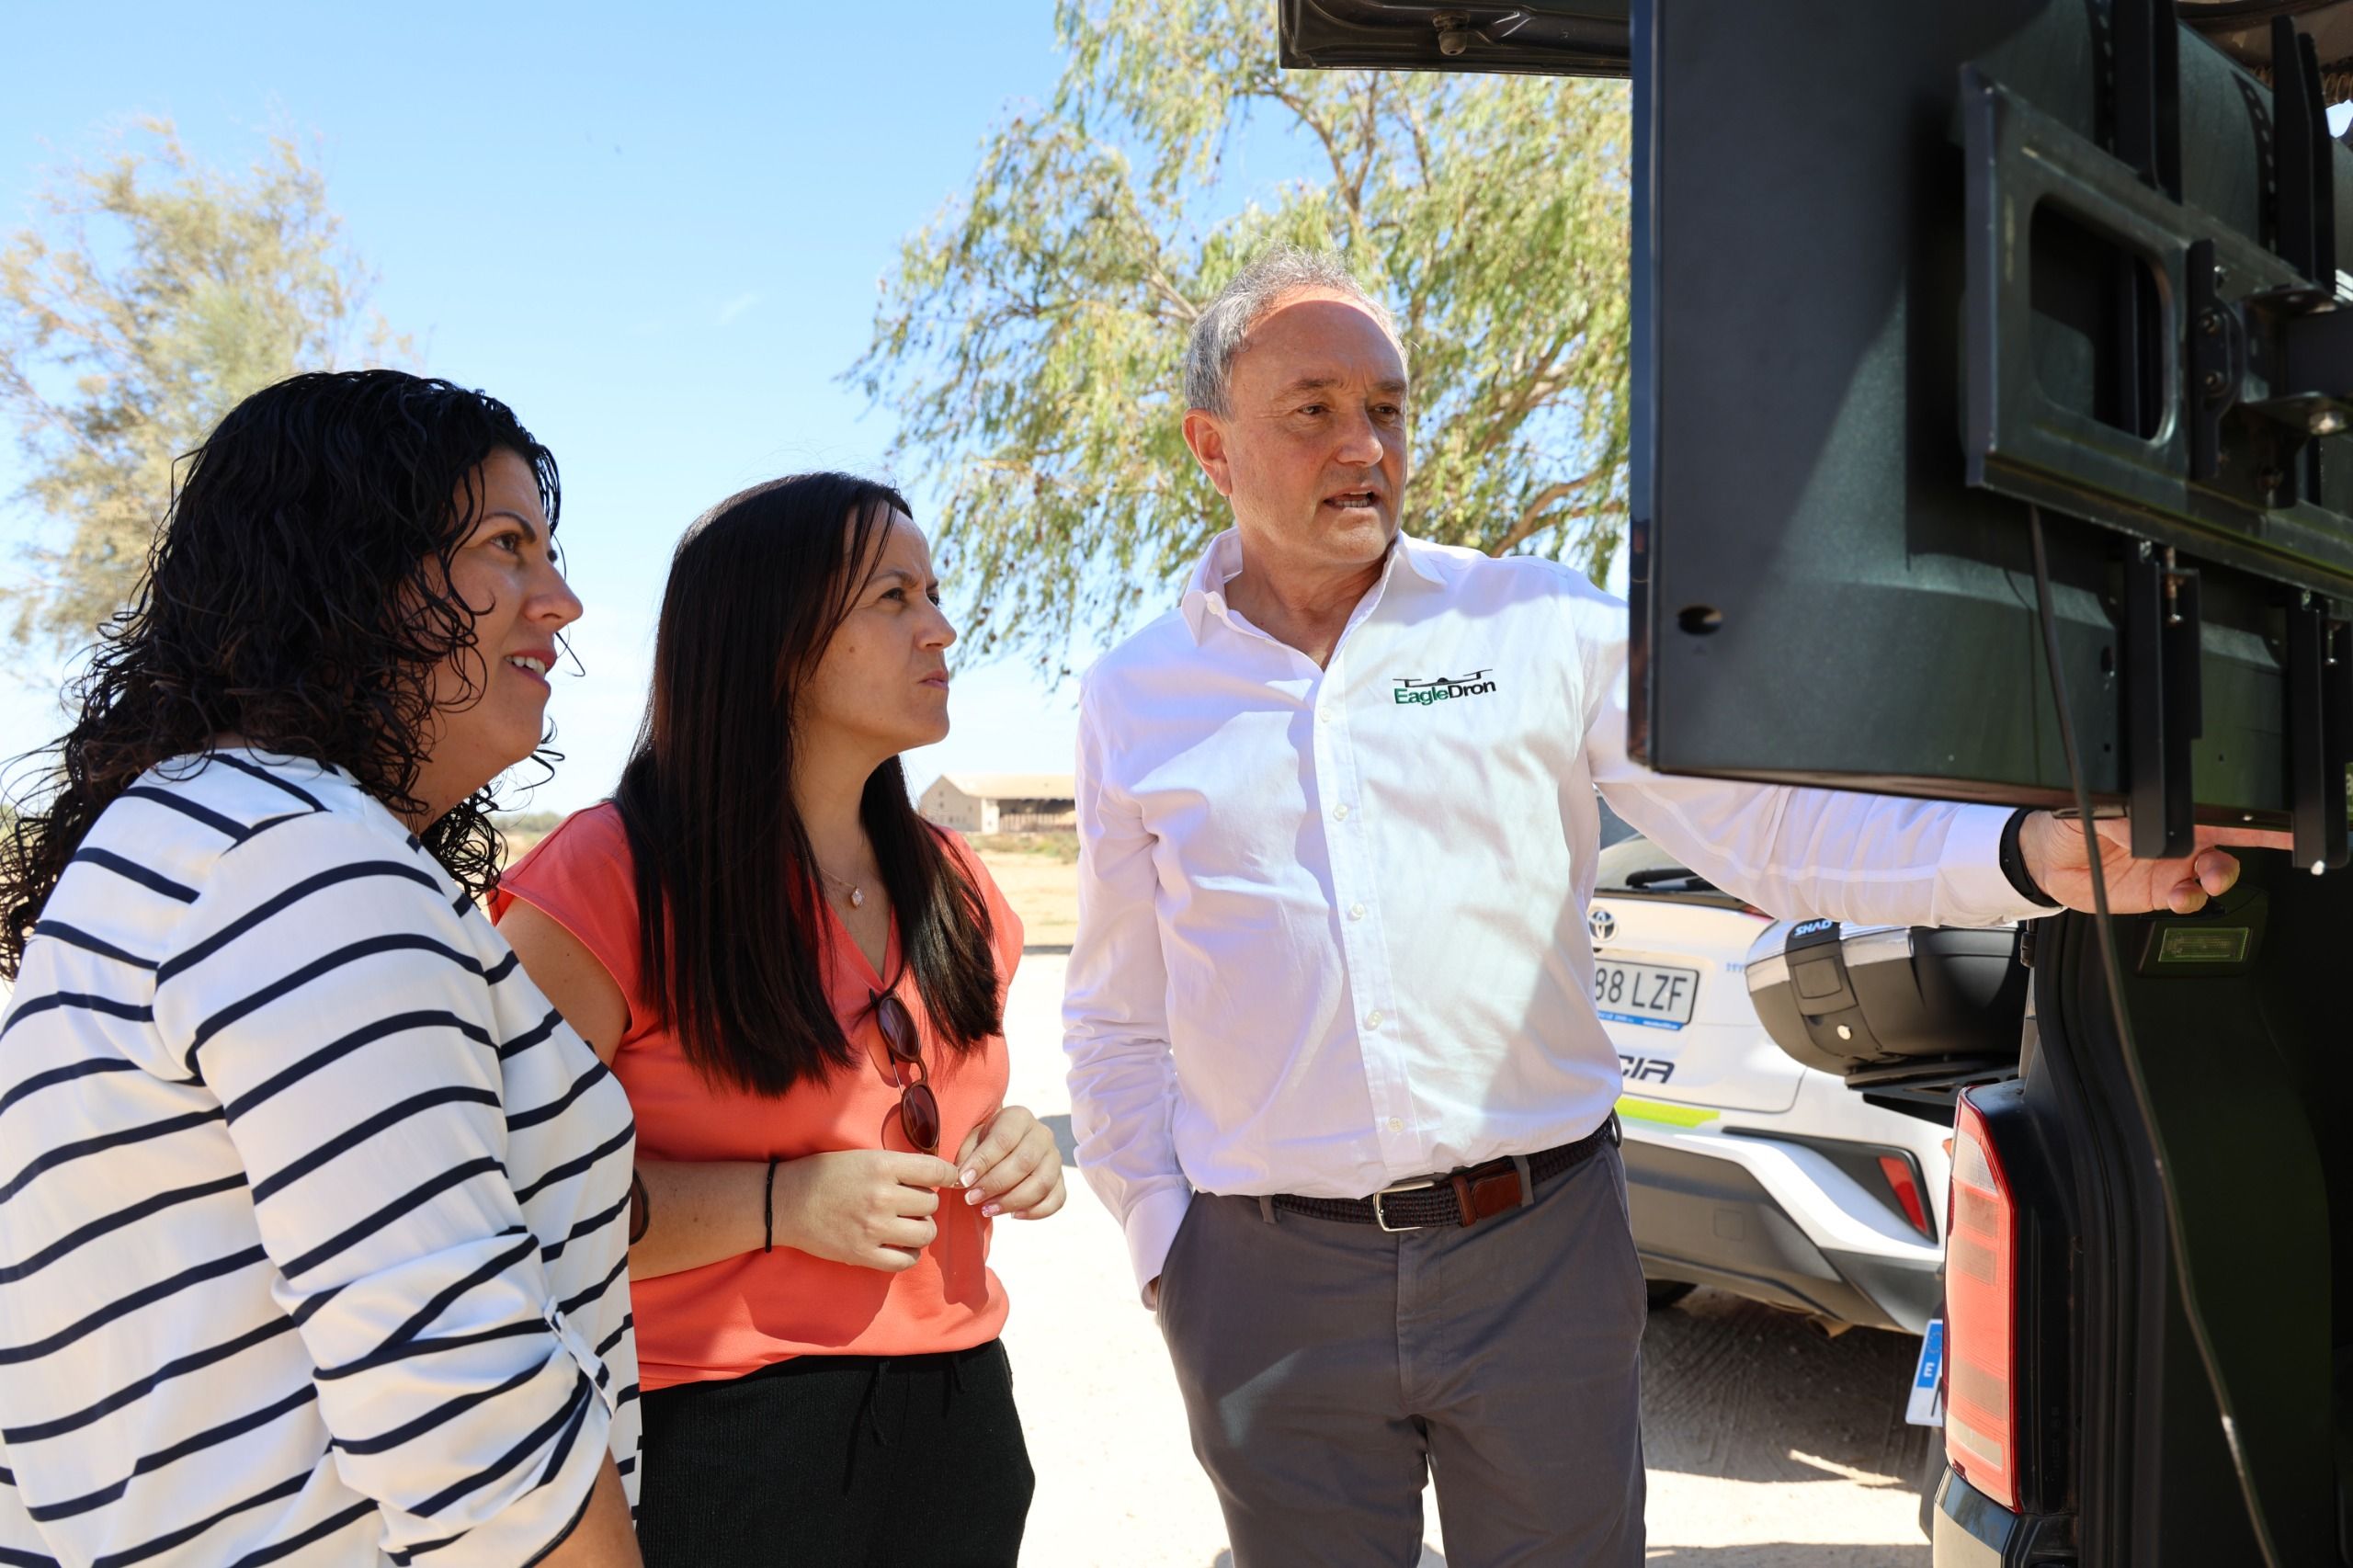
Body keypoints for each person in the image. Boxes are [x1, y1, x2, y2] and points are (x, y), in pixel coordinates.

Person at [1062, 247, 2286, 1567]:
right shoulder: (1136, 698)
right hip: (1269, 1288)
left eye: (1387, 407)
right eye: (1313, 408)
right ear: (1210, 444)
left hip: (1533, 1259)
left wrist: (2034, 854)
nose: (1364, 444)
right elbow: (1117, 1018)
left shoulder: (1536, 625)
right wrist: (1170, 1252)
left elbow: (1771, 826)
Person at [0, 370, 641, 1567]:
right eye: (507, 546)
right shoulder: (303, 863)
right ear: (349, 567)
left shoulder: (200, 830)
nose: (562, 602)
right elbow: (467, 1407)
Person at [493, 472, 1063, 1568]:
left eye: (933, 593)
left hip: (960, 1416)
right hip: (716, 1437)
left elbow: (958, 1103)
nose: (940, 628)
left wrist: (1017, 1143)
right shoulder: (605, 879)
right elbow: (502, 1197)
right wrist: (777, 1203)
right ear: (775, 638)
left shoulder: (954, 879)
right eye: (893, 597)